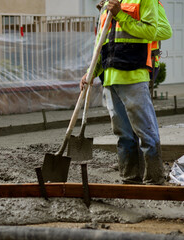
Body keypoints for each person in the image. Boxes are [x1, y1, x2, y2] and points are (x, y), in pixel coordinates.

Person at [81, 0, 172, 185]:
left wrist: (120, 14)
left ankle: (155, 180)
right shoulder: (107, 5)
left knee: (145, 132)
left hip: (133, 75)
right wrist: (91, 72)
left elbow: (151, 32)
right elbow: (101, 44)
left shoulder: (143, 1)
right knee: (123, 135)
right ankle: (130, 179)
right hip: (111, 78)